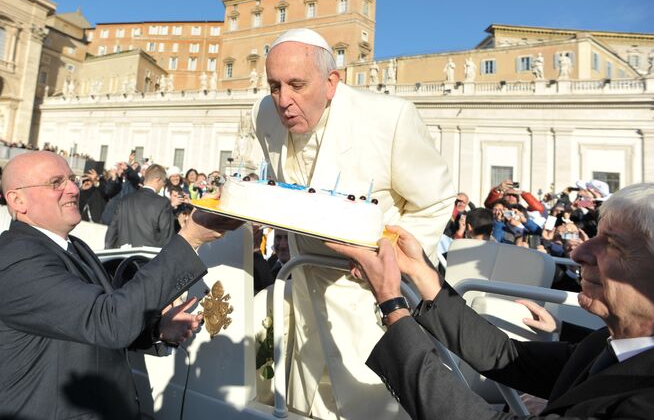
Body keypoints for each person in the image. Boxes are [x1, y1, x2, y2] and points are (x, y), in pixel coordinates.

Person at [251, 28, 455, 418]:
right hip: (303, 285)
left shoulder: (389, 118)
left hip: (370, 297)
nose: (283, 101)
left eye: (297, 85)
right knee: (302, 404)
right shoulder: (263, 113)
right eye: (274, 86)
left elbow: (435, 200)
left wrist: (389, 262)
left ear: (331, 82)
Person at [328, 182, 654, 420]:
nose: (579, 252)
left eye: (612, 245)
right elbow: (505, 356)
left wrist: (391, 303)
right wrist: (418, 270)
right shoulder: (605, 345)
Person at [0, 151, 240, 419]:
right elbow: (108, 321)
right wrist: (189, 239)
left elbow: (87, 327)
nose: (73, 189)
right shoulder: (15, 262)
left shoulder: (73, 247)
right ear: (18, 200)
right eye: (56, 183)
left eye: (72, 179)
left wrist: (157, 329)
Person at [105, 164, 175, 249]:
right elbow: (167, 237)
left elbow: (112, 231)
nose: (163, 185)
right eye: (163, 182)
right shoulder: (163, 203)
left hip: (125, 257)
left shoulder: (125, 199)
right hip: (149, 258)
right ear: (157, 179)